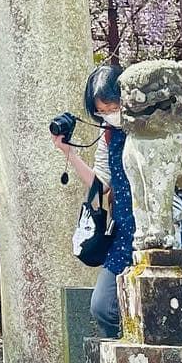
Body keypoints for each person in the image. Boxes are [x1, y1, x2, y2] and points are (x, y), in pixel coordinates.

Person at [52, 62, 134, 339]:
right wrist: (69, 153)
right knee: (102, 307)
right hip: (124, 232)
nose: (109, 115)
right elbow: (100, 184)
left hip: (160, 227)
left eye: (113, 108)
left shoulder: (149, 126)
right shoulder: (108, 135)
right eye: (102, 111)